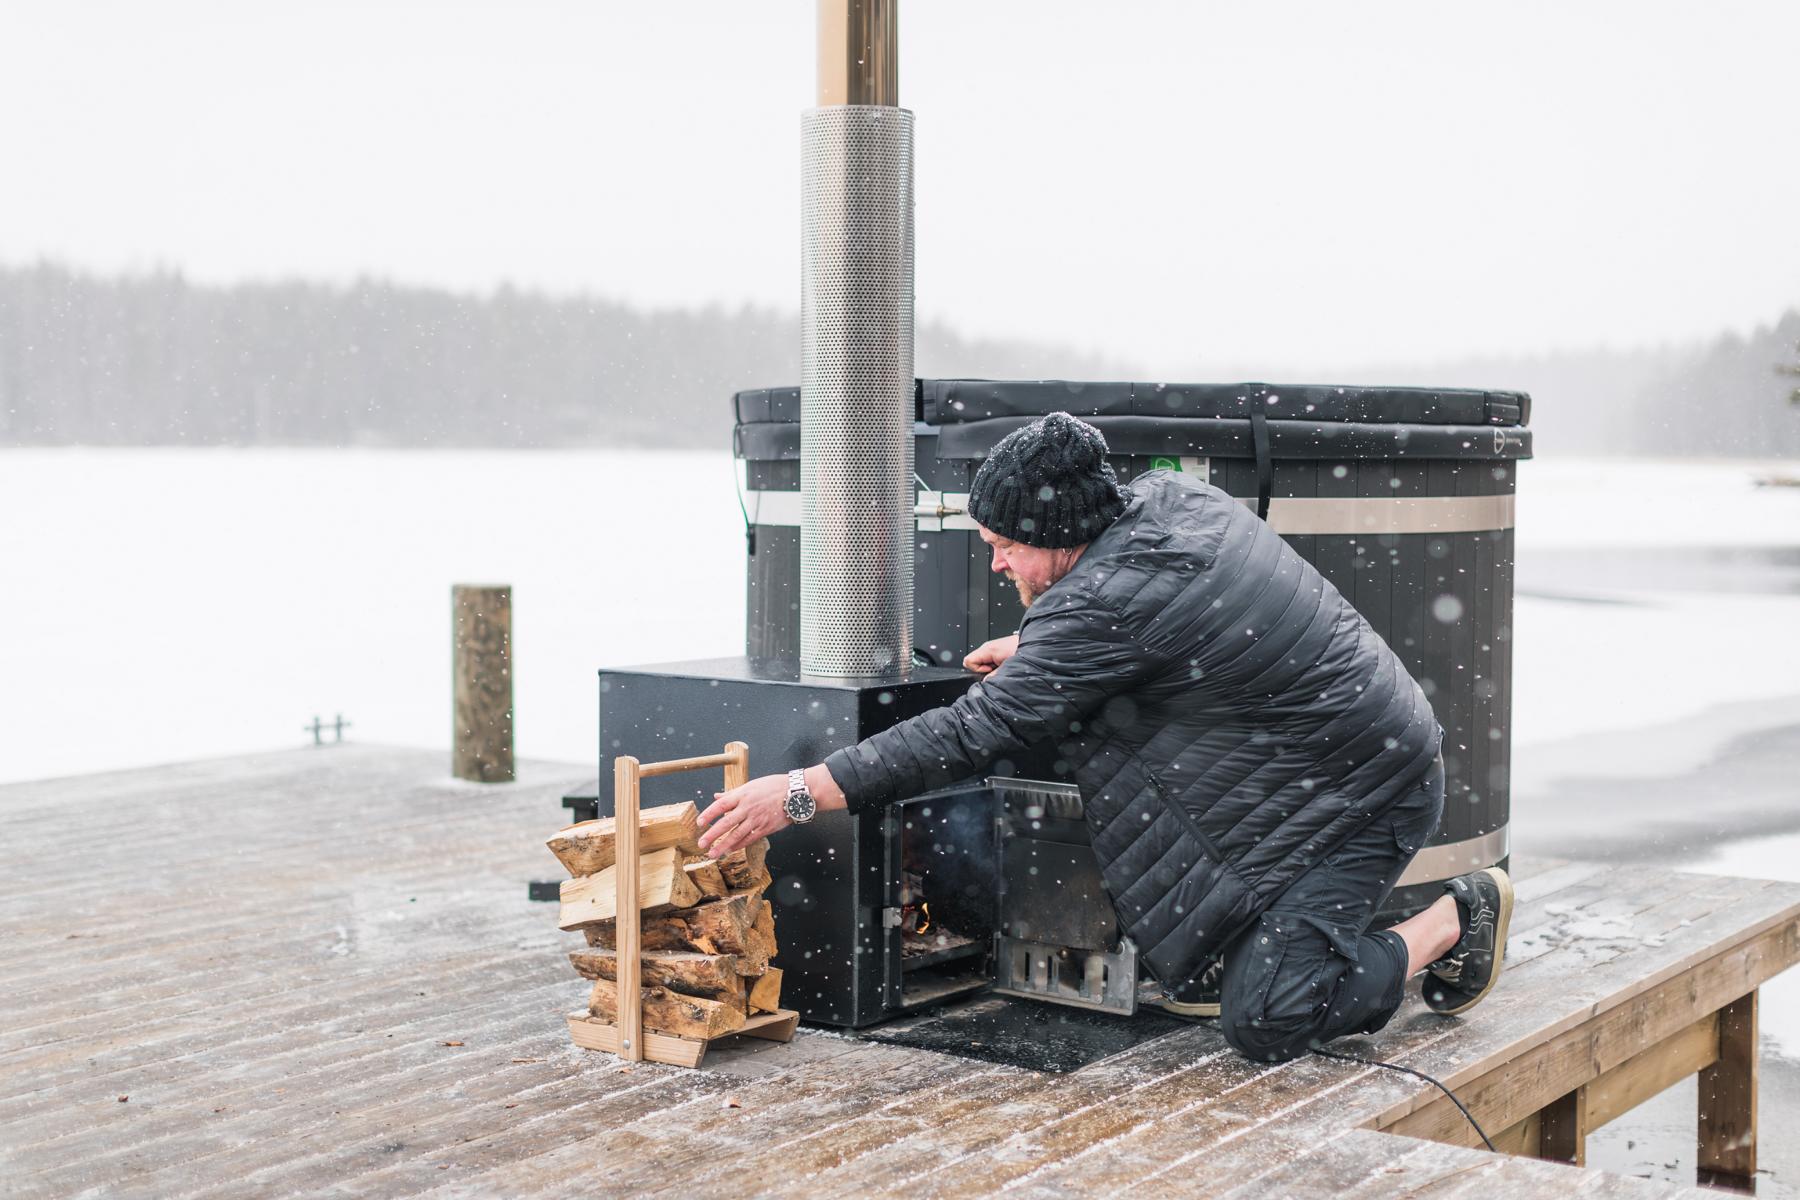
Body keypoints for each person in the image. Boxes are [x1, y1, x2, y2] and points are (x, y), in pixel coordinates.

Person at [698, 411, 1511, 1062]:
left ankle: (1453, 919)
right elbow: (1180, 624)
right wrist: (1042, 650)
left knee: (1268, 1017)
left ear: (1058, 537)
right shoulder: (1168, 504)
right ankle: (1274, 942)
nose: (996, 566)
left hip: (1371, 793)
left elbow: (975, 730)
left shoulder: (1108, 608)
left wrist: (799, 792)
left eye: (1004, 546)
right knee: (1199, 955)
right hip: (1325, 762)